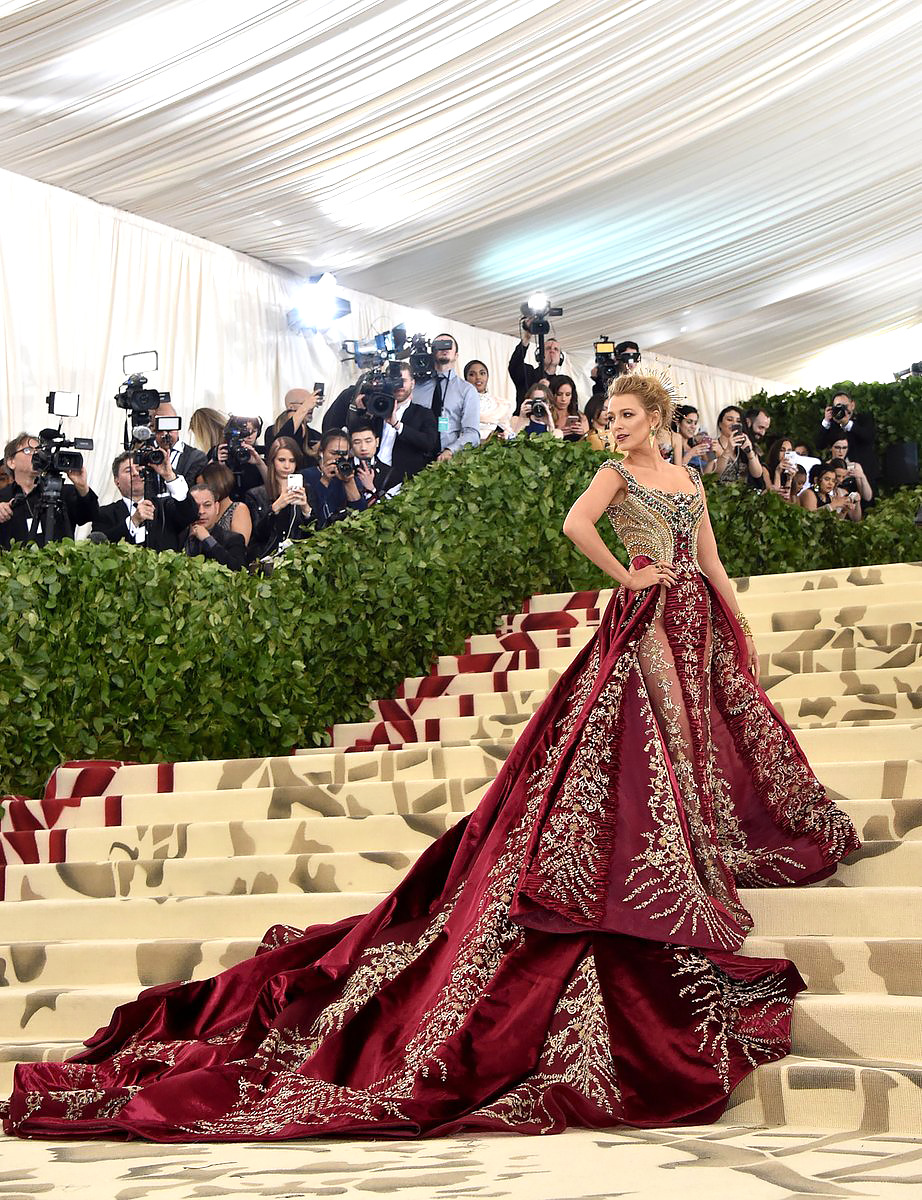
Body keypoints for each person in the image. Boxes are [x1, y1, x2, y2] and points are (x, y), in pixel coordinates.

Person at [1, 371, 860, 1143]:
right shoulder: (613, 474)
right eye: (611, 416)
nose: (618, 425)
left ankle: (699, 839)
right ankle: (665, 859)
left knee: (706, 740)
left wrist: (729, 612)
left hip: (695, 620)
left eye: (631, 415)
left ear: (660, 416)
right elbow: (574, 526)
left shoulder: (687, 479)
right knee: (647, 743)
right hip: (641, 626)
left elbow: (707, 557)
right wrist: (626, 576)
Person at [0, 433, 99, 549]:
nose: (36, 454)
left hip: (61, 564)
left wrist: (82, 487)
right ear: (11, 462)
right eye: (28, 450)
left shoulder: (62, 492)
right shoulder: (2, 498)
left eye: (39, 450)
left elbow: (90, 515)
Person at [92, 451, 198, 550]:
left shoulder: (165, 506)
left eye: (139, 469)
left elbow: (190, 515)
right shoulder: (104, 514)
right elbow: (99, 546)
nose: (136, 473)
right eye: (128, 470)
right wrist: (133, 521)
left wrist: (169, 476)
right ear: (117, 481)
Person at [371, 362, 440, 490]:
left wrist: (397, 425)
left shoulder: (423, 413)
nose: (399, 385)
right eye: (394, 381)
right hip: (372, 477)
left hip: (404, 482)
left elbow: (429, 443)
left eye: (403, 380)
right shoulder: (377, 410)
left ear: (412, 383)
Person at [412, 334, 480, 461]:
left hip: (448, 460)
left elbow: (472, 433)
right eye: (439, 345)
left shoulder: (467, 390)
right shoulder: (415, 387)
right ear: (432, 353)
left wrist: (451, 450)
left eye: (448, 345)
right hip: (415, 457)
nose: (444, 348)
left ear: (456, 355)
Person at [245, 437, 314, 559]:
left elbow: (315, 533)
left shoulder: (306, 490)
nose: (287, 466)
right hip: (266, 559)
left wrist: (306, 510)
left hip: (298, 558)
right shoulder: (256, 494)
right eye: (281, 460)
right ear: (272, 461)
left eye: (292, 461)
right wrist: (274, 509)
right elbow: (258, 535)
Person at [303, 431, 369, 529]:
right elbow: (313, 513)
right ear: (322, 452)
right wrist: (325, 480)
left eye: (344, 454)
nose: (338, 458)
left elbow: (361, 514)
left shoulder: (352, 478)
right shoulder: (307, 476)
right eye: (334, 453)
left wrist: (349, 482)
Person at [182, 483, 248, 570]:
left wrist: (208, 540)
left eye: (207, 505)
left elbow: (238, 569)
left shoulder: (234, 539)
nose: (201, 511)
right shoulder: (177, 536)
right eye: (196, 506)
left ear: (216, 507)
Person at [816, 391, 878, 481]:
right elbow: (819, 445)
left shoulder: (864, 419)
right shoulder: (831, 424)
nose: (843, 410)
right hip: (837, 475)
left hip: (864, 472)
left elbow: (868, 437)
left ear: (852, 405)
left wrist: (847, 424)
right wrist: (826, 422)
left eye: (845, 406)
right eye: (839, 406)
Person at [194, 463, 253, 547]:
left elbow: (238, 548)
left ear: (216, 484)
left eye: (203, 487)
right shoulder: (199, 510)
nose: (199, 491)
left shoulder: (238, 509)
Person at [508, 321, 563, 410]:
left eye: (556, 349)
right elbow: (514, 366)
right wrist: (527, 337)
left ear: (561, 358)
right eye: (548, 348)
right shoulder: (528, 372)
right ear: (539, 354)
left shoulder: (560, 382)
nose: (552, 351)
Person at [210, 416, 267, 499]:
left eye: (253, 431)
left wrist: (259, 463)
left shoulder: (259, 454)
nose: (249, 436)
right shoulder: (220, 451)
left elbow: (271, 485)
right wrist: (215, 461)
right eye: (245, 431)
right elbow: (203, 484)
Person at [152, 400, 208, 484]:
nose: (165, 433)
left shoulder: (196, 457)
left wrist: (168, 473)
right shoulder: (146, 454)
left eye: (170, 424)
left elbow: (191, 491)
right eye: (159, 426)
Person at [266, 388, 323, 461]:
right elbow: (283, 440)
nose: (311, 408)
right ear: (291, 406)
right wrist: (304, 408)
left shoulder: (315, 436)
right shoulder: (272, 431)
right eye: (304, 403)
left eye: (312, 404)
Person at [464, 359, 515, 441]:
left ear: (487, 376)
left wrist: (505, 436)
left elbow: (507, 430)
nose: (478, 377)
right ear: (466, 379)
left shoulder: (500, 404)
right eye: (472, 374)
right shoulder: (461, 403)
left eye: (482, 373)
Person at [712, 406, 764, 483]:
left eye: (738, 421)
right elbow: (713, 476)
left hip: (743, 493)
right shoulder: (714, 445)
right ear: (720, 424)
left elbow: (757, 474)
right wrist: (728, 450)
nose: (734, 424)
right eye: (729, 420)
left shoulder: (744, 444)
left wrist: (749, 452)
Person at [824, 436, 874, 505]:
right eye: (837, 448)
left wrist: (862, 477)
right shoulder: (824, 466)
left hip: (853, 506)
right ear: (830, 448)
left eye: (844, 448)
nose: (841, 451)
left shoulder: (855, 467)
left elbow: (867, 497)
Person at [349, 421, 388, 499]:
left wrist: (371, 489)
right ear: (350, 445)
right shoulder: (343, 467)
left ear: (377, 442)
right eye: (357, 442)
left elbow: (390, 507)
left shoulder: (389, 473)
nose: (363, 447)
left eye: (368, 441)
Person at [673, 405, 714, 473]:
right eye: (689, 422)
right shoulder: (671, 446)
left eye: (695, 423)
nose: (693, 426)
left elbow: (706, 476)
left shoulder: (695, 445)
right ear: (678, 423)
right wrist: (691, 453)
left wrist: (711, 454)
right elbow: (676, 471)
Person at [548, 375, 589, 441]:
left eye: (567, 394)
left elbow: (588, 444)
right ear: (552, 394)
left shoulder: (581, 417)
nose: (563, 399)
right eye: (559, 394)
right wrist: (557, 435)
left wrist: (583, 434)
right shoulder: (545, 416)